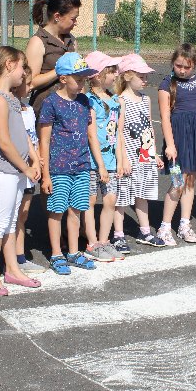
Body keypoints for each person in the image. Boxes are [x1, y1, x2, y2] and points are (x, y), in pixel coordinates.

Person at [0, 47, 43, 296]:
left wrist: (34, 159)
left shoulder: (11, 99)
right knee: (0, 222)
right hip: (6, 170)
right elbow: (4, 143)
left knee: (10, 222)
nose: (24, 74)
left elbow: (23, 135)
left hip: (17, 169)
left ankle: (12, 270)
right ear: (9, 65)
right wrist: (26, 167)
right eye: (21, 67)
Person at [38, 52, 99, 274]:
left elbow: (90, 134)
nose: (82, 82)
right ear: (63, 78)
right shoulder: (51, 103)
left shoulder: (84, 101)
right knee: (57, 211)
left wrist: (97, 165)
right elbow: (44, 141)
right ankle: (56, 254)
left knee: (76, 210)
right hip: (59, 168)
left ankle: (73, 252)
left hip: (82, 166)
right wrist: (46, 174)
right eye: (78, 78)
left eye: (84, 78)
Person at [157, 44, 196, 245]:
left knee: (190, 182)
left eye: (186, 67)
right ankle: (164, 227)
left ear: (194, 65)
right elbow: (165, 117)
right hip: (178, 140)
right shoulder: (166, 84)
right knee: (178, 182)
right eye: (178, 66)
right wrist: (170, 145)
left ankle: (184, 224)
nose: (182, 70)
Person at [113, 54, 166, 251]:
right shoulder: (121, 100)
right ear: (127, 76)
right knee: (122, 197)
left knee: (142, 194)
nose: (145, 80)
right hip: (128, 156)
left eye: (146, 76)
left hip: (144, 156)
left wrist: (154, 153)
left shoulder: (146, 99)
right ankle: (118, 235)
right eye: (141, 76)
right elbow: (118, 131)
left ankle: (145, 231)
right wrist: (123, 158)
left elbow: (149, 127)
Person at [82, 51, 124, 262]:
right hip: (92, 162)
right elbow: (91, 135)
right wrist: (100, 165)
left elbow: (118, 133)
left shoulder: (115, 101)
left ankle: (104, 241)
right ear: (98, 76)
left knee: (110, 200)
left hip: (111, 162)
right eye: (112, 71)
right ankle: (92, 243)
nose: (116, 74)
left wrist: (121, 160)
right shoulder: (89, 101)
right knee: (90, 201)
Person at [25, 0, 81, 115]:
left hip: (71, 107)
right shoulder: (38, 42)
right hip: (47, 109)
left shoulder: (72, 40)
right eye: (73, 19)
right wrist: (60, 68)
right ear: (57, 17)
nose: (76, 23)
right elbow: (31, 83)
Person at [13, 72, 48, 273]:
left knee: (23, 215)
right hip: (18, 169)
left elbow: (33, 137)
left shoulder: (28, 109)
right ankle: (13, 257)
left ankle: (20, 256)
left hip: (31, 170)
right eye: (27, 83)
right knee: (13, 215)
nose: (30, 86)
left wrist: (38, 158)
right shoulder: (11, 108)